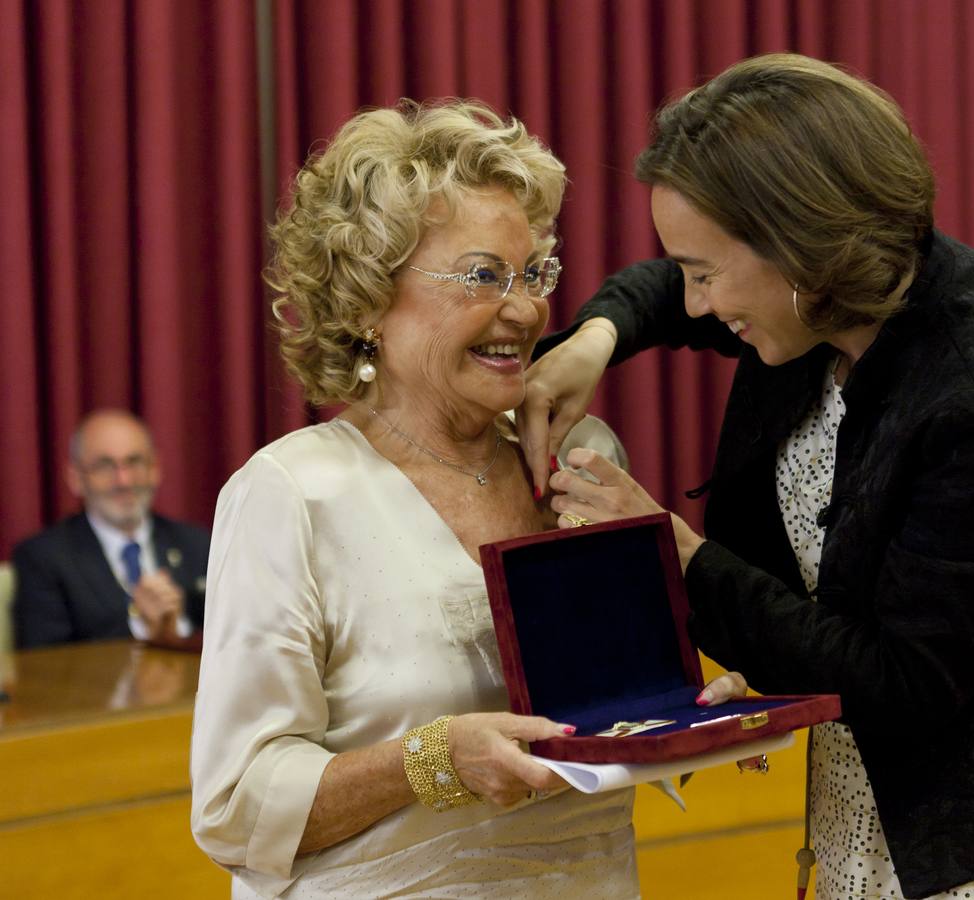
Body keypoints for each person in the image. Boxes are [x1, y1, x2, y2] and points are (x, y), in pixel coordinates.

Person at [520, 55, 974, 899]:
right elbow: (663, 291)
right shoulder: (822, 304)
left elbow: (903, 681)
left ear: (796, 246)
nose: (695, 303)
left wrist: (680, 555)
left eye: (706, 273)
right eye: (688, 270)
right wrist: (595, 341)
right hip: (861, 805)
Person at [189, 99, 742, 898]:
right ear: (369, 299)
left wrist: (690, 711)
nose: (524, 309)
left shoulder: (577, 458)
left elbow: (613, 715)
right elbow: (236, 808)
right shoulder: (289, 498)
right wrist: (433, 759)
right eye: (483, 276)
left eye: (533, 274)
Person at [12, 409, 209, 648]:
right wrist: (141, 625)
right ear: (75, 478)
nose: (123, 481)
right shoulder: (42, 558)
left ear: (155, 469)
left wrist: (175, 629)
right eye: (105, 466)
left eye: (134, 462)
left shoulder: (198, 545)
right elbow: (42, 661)